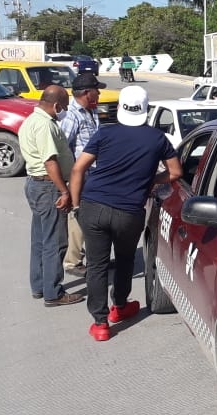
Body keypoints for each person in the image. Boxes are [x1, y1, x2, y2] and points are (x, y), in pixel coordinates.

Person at [69, 85, 182, 342]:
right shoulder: (158, 139)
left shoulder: (104, 133)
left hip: (94, 206)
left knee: (96, 265)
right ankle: (119, 307)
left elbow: (78, 169)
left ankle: (100, 324)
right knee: (124, 260)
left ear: (120, 107)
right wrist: (151, 180)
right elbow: (175, 172)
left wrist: (76, 206)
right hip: (129, 212)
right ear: (145, 109)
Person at [17, 84, 84, 307]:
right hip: (48, 187)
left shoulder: (30, 121)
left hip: (35, 185)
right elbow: (49, 161)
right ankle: (53, 292)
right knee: (55, 242)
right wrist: (64, 191)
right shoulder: (45, 125)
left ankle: (39, 285)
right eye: (63, 106)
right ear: (56, 105)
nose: (64, 110)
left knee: (39, 239)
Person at [59, 73, 106, 276]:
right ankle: (73, 261)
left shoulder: (90, 111)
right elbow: (63, 147)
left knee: (93, 217)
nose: (100, 93)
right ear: (87, 92)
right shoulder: (72, 115)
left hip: (94, 173)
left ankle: (92, 257)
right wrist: (70, 179)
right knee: (77, 216)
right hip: (81, 174)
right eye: (97, 90)